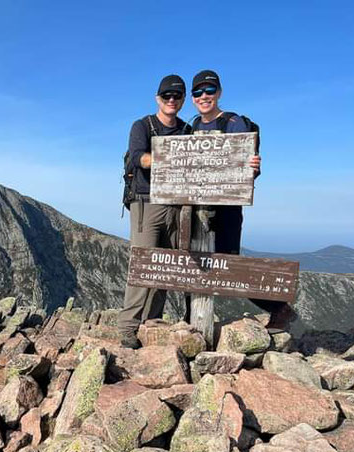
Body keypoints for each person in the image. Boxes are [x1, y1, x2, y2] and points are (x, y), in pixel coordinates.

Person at [189, 69, 297, 332]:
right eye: (198, 92)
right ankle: (188, 317)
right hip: (196, 209)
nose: (204, 96)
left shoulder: (233, 122)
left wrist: (253, 167)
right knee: (191, 264)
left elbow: (248, 166)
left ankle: (279, 307)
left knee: (230, 265)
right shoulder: (191, 126)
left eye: (209, 90)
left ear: (219, 93)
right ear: (193, 98)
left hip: (226, 209)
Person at [117, 75, 190, 347]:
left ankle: (151, 323)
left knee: (166, 267)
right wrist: (169, 158)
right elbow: (138, 157)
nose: (172, 100)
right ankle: (127, 328)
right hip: (146, 202)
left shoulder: (186, 130)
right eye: (167, 96)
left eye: (177, 96)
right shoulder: (143, 125)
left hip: (177, 205)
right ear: (158, 98)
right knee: (142, 265)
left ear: (182, 100)